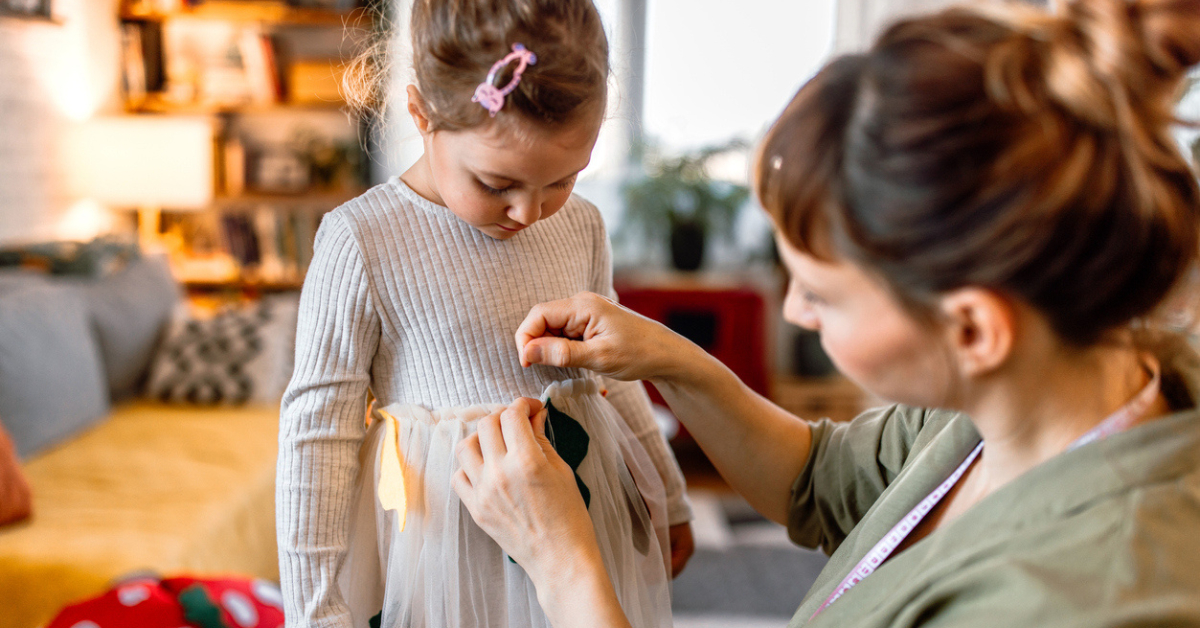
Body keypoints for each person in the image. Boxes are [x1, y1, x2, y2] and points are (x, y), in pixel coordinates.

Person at [450, 0, 1200, 626]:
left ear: (972, 328)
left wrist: (563, 566)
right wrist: (667, 357)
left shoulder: (1097, 595)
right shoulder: (1022, 395)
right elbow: (819, 481)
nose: (798, 312)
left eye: (823, 292)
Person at [275, 1, 695, 626]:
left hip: (575, 518)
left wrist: (668, 492)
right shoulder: (361, 240)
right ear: (420, 115)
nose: (530, 212)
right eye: (498, 184)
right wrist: (314, 610)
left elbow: (610, 373)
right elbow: (317, 434)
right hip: (443, 548)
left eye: (563, 179)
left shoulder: (580, 226)